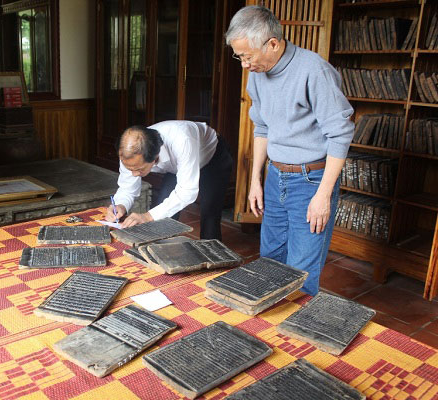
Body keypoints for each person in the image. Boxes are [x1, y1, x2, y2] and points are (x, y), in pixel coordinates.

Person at [225, 6, 354, 296]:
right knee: (269, 263)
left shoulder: (314, 71)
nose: (244, 65)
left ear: (272, 43)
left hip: (311, 181)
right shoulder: (258, 73)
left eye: (247, 56)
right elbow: (262, 127)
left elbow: (341, 134)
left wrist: (323, 195)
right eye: (239, 57)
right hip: (275, 177)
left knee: (301, 274)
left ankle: (295, 326)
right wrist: (255, 181)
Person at [105, 120, 233, 241]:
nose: (133, 174)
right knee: (162, 215)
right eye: (130, 169)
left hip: (212, 158)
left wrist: (147, 216)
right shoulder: (129, 154)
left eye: (138, 169)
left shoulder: (182, 140)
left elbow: (187, 192)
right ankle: (160, 251)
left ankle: (212, 252)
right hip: (177, 165)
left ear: (155, 158)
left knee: (210, 213)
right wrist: (121, 205)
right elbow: (127, 188)